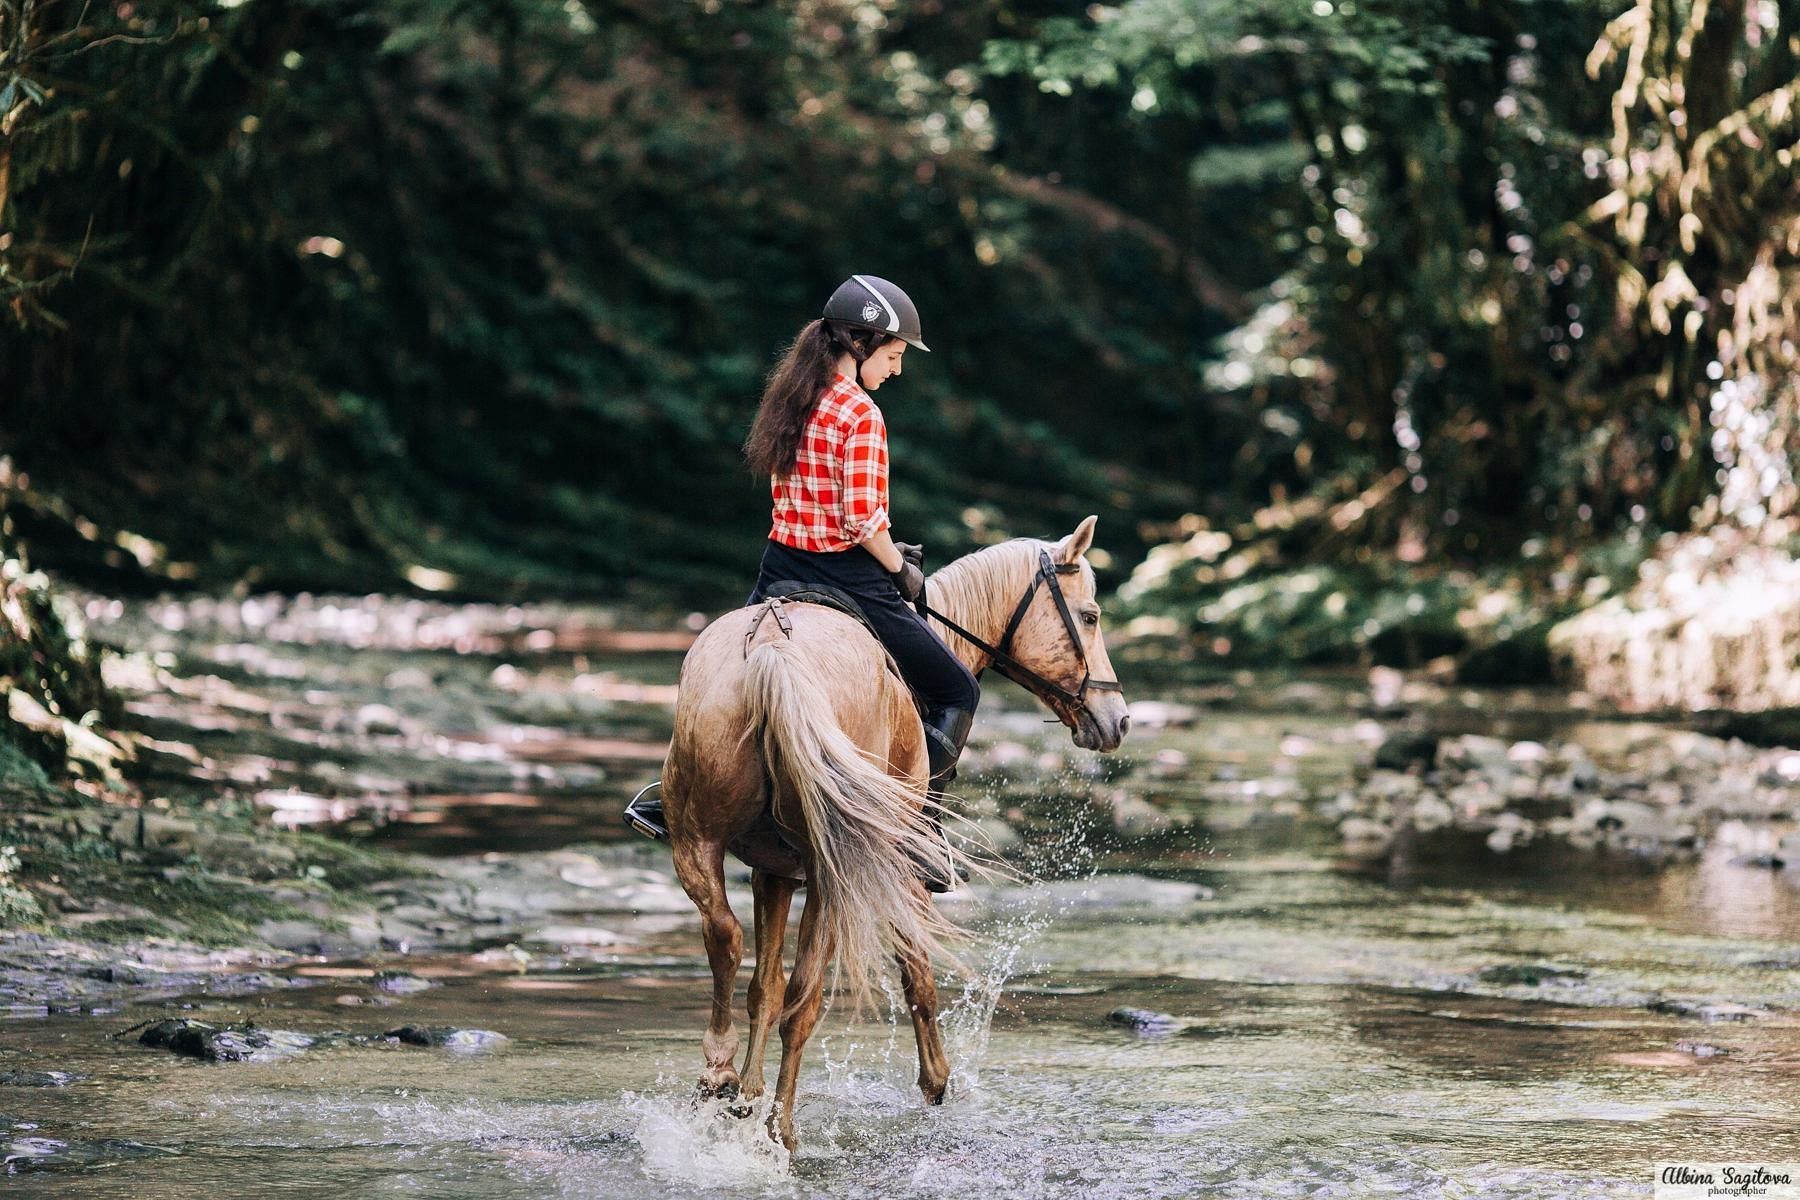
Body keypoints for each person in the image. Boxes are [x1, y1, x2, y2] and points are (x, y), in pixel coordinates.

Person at [626, 275, 979, 890]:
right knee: (956, 692)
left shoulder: (794, 397)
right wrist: (903, 570)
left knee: (720, 676)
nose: (896, 371)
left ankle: (670, 794)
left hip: (779, 569)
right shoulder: (861, 413)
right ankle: (920, 831)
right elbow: (863, 521)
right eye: (894, 357)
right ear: (863, 344)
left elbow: (794, 497)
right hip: (852, 580)